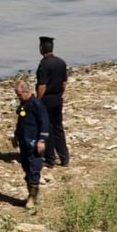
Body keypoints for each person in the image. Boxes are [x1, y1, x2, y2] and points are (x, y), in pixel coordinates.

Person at [12, 80, 50, 209]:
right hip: (24, 140)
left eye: (20, 95)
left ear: (27, 91)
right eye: (17, 95)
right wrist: (16, 136)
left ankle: (33, 198)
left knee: (34, 167)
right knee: (26, 167)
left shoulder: (37, 105)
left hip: (34, 141)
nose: (19, 97)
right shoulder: (24, 105)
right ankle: (30, 194)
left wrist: (42, 140)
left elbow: (45, 122)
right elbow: (20, 121)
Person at [36, 36, 70, 167]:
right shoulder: (61, 62)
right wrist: (60, 93)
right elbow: (64, 82)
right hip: (57, 97)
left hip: (47, 99)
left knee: (47, 128)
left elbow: (42, 85)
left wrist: (38, 101)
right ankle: (64, 157)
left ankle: (50, 159)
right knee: (58, 127)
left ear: (41, 48)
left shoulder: (44, 64)